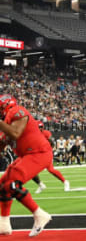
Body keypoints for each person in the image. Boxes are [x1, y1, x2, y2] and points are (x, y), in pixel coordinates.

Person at [0, 94, 53, 236]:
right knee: (3, 184)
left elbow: (16, 133)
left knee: (12, 184)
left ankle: (39, 214)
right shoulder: (7, 124)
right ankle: (4, 224)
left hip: (39, 153)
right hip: (28, 155)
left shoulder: (18, 111)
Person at [31, 121, 70, 194]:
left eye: (41, 127)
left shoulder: (46, 133)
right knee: (31, 171)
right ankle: (40, 185)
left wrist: (48, 150)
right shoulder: (33, 134)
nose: (40, 129)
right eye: (38, 127)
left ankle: (65, 182)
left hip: (46, 153)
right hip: (37, 154)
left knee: (51, 170)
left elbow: (52, 142)